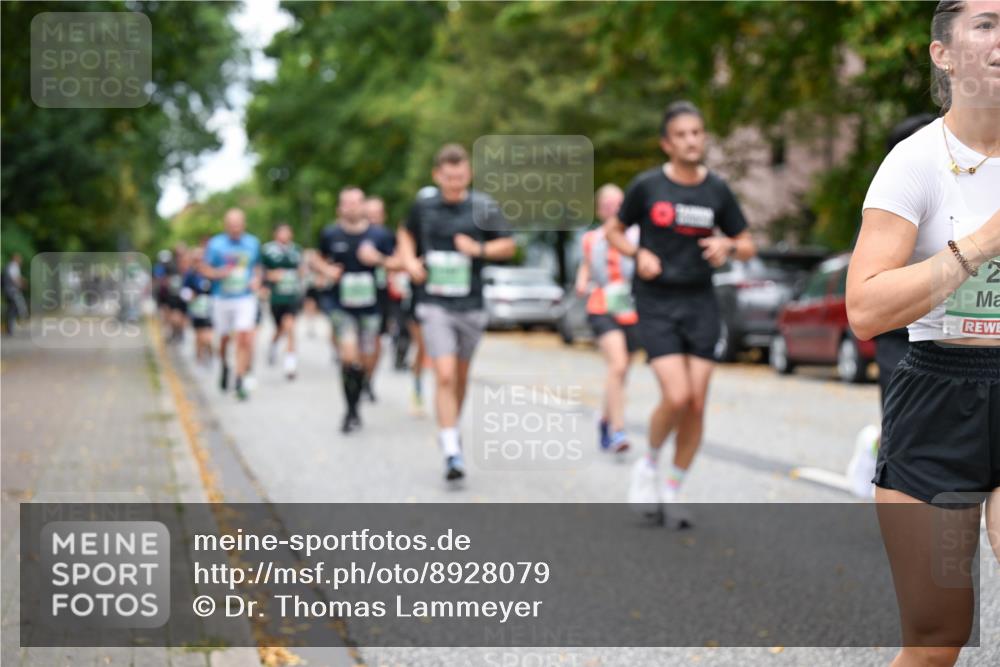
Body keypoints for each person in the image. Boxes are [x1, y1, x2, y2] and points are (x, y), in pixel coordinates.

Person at [846, 2, 999, 664]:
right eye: (987, 24)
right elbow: (866, 308)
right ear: (944, 54)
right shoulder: (915, 164)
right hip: (939, 397)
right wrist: (984, 242)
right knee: (936, 638)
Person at [605, 101, 756, 523]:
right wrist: (638, 254)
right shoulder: (647, 186)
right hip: (656, 301)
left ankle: (671, 488)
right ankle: (648, 464)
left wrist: (727, 245)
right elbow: (613, 231)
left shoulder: (717, 190)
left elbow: (747, 243)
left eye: (697, 132)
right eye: (683, 134)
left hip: (700, 301)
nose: (693, 140)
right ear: (667, 144)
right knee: (677, 395)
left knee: (695, 406)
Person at [398, 145, 516, 481]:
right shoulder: (423, 206)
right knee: (445, 373)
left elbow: (508, 245)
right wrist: (408, 260)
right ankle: (451, 449)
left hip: (471, 305)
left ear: (469, 174)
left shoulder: (484, 207)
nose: (454, 182)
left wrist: (478, 248)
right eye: (448, 177)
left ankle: (451, 429)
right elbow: (405, 234)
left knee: (461, 377)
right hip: (434, 303)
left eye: (460, 176)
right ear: (437, 176)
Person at [846, 113, 937, 499]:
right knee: (903, 424)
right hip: (899, 335)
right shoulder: (886, 204)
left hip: (951, 333)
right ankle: (879, 448)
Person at [314, 186, 398, 433]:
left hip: (371, 306)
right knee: (349, 356)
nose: (352, 207)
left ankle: (359, 394)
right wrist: (327, 270)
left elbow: (399, 263)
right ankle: (351, 411)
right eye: (347, 203)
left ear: (363, 205)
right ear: (340, 208)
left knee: (366, 358)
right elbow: (316, 258)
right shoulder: (330, 233)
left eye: (356, 202)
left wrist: (378, 260)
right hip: (341, 305)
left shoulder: (381, 235)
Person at [574, 184, 640, 454]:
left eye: (618, 204)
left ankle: (604, 420)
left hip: (633, 308)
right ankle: (618, 430)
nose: (613, 209)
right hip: (602, 305)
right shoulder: (592, 238)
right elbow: (587, 264)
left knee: (622, 373)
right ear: (600, 209)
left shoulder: (637, 234)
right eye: (608, 204)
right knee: (618, 365)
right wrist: (582, 281)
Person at [201, 208, 262, 401]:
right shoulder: (216, 244)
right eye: (231, 224)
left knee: (244, 337)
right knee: (225, 339)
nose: (235, 228)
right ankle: (226, 366)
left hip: (244, 297)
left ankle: (239, 379)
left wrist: (257, 280)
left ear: (244, 224)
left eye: (238, 224)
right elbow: (204, 268)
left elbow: (258, 267)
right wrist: (219, 273)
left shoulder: (253, 243)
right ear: (226, 225)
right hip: (222, 298)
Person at [262, 223, 304, 380]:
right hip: (276, 297)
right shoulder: (268, 251)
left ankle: (290, 364)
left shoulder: (296, 250)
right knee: (280, 329)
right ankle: (273, 345)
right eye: (281, 232)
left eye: (287, 232)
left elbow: (301, 270)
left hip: (292, 296)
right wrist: (269, 277)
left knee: (290, 327)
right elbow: (261, 271)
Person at [364, 195, 395, 401]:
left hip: (380, 296)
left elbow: (397, 261)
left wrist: (380, 260)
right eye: (369, 214)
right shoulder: (351, 234)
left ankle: (368, 381)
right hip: (353, 300)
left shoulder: (387, 236)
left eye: (377, 214)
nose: (373, 219)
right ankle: (356, 377)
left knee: (376, 342)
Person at [182, 245, 214, 368]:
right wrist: (190, 295)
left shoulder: (210, 272)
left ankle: (210, 354)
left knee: (209, 338)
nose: (199, 262)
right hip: (197, 310)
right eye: (196, 260)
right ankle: (199, 359)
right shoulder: (190, 275)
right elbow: (184, 291)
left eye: (201, 259)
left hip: (210, 309)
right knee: (200, 337)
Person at [2, 253, 26, 335]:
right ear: (15, 258)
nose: (21, 261)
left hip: (8, 291)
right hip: (12, 291)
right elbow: (15, 278)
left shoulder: (9, 266)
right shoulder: (13, 266)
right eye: (19, 259)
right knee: (14, 309)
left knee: (11, 309)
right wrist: (22, 283)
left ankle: (10, 327)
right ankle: (11, 327)